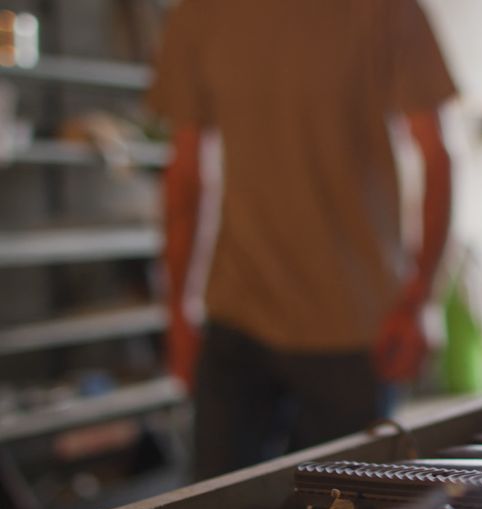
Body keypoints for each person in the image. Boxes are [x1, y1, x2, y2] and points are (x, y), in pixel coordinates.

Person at [148, 0, 456, 480]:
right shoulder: (201, 13)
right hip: (237, 317)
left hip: (355, 329)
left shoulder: (386, 9)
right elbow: (186, 173)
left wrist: (419, 300)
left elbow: (437, 158)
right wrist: (177, 311)